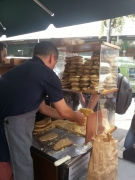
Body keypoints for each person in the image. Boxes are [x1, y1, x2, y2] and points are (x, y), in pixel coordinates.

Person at [0, 41, 85, 180]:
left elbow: (44, 109)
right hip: (12, 123)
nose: (53, 67)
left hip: (6, 120)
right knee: (22, 164)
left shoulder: (23, 70)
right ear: (52, 57)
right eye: (55, 63)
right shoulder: (47, 74)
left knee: (9, 160)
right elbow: (64, 111)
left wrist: (66, 118)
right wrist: (75, 116)